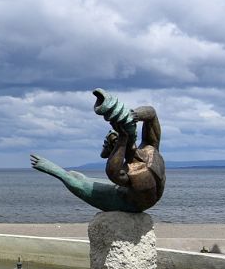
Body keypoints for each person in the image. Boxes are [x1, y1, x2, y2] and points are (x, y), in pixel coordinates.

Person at [30, 89, 165, 213]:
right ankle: (57, 171)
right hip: (127, 201)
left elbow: (151, 114)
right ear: (118, 150)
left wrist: (134, 114)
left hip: (134, 204)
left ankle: (60, 173)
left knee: (75, 178)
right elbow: (112, 172)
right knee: (75, 178)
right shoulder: (127, 171)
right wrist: (122, 139)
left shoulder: (150, 148)